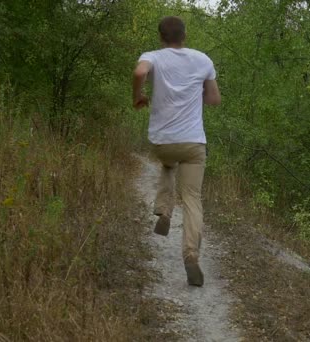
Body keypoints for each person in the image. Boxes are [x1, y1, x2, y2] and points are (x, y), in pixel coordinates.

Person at [132, 16, 221, 287]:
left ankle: (164, 211)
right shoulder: (203, 60)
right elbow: (214, 100)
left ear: (161, 36)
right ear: (185, 35)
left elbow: (139, 73)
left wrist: (138, 96)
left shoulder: (153, 57)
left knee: (168, 163)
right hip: (194, 143)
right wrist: (198, 94)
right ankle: (191, 255)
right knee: (193, 198)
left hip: (164, 142)